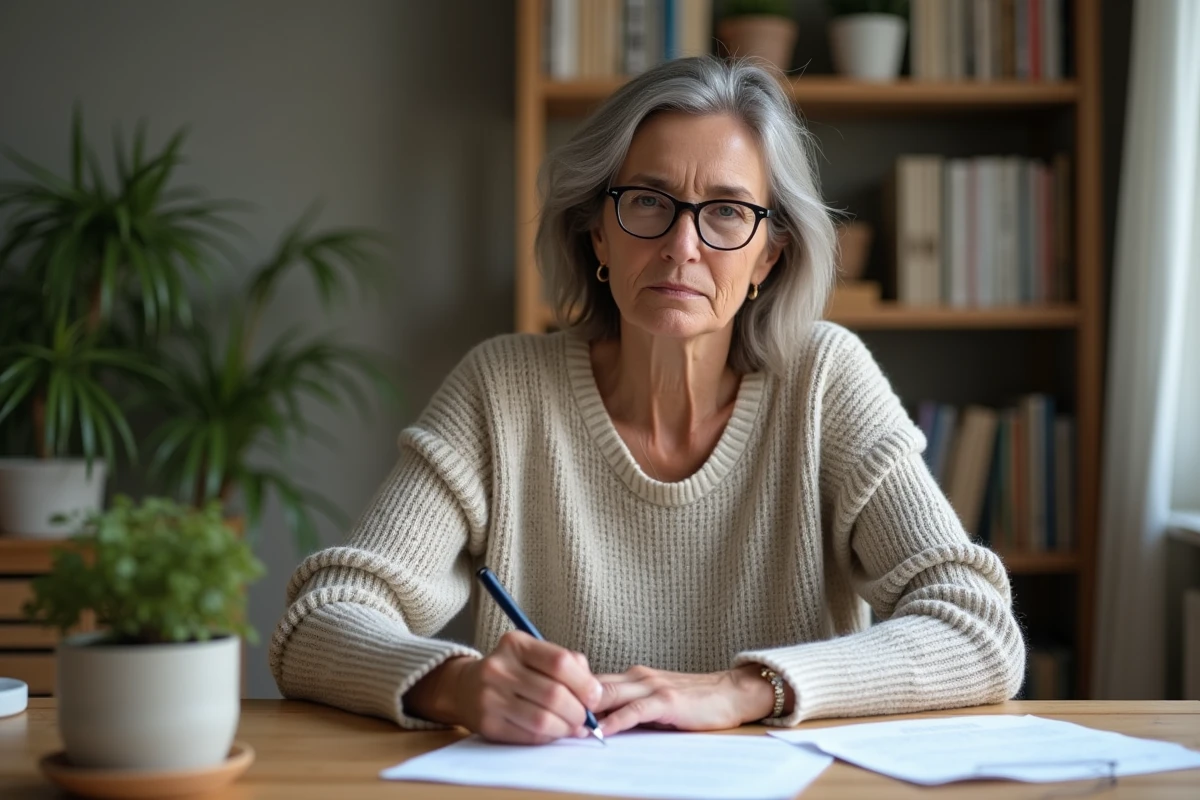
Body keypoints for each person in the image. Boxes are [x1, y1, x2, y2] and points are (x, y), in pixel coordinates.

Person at [270, 56, 1025, 745]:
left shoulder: (826, 380)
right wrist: (459, 685)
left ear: (769, 255)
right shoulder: (501, 389)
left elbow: (980, 629)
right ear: (598, 234)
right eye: (647, 201)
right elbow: (318, 620)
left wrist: (747, 688)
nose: (682, 246)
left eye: (727, 211)